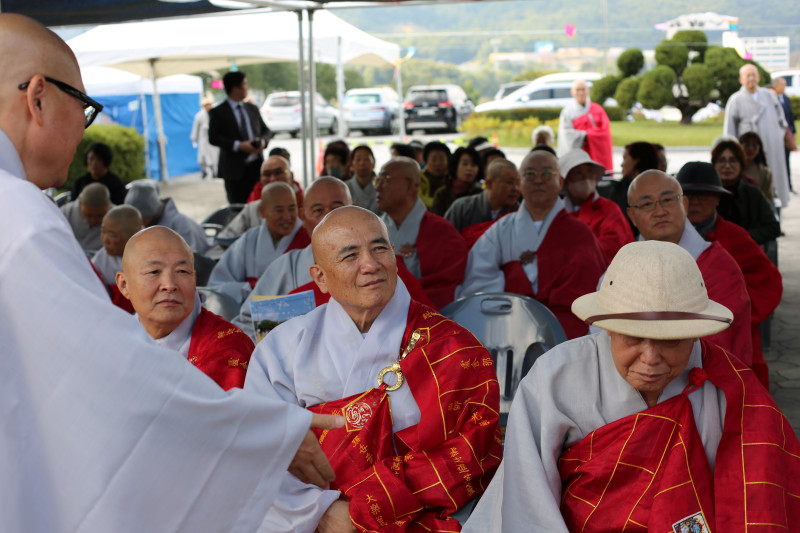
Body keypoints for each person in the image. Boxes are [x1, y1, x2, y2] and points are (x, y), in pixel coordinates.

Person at [0, 13, 340, 533]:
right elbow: (103, 376)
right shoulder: (17, 216)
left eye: (182, 270)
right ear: (39, 97)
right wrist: (269, 433)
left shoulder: (224, 346)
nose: (84, 129)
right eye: (84, 107)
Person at [464, 240, 800, 533]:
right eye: (633, 337)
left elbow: (757, 496)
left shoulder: (729, 387)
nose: (650, 359)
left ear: (695, 333)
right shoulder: (556, 377)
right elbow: (529, 499)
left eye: (670, 340)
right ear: (608, 327)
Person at [246, 206, 503, 533]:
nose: (371, 264)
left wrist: (364, 509)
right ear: (320, 278)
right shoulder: (283, 348)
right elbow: (257, 446)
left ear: (394, 256)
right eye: (350, 255)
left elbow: (473, 450)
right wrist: (319, 511)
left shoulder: (452, 346)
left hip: (418, 518)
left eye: (380, 248)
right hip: (309, 519)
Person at [458, 149, 607, 339]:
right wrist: (516, 302)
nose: (538, 180)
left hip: (566, 337)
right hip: (507, 331)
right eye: (530, 174)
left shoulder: (580, 235)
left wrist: (511, 276)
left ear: (560, 182)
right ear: (520, 182)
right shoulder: (500, 230)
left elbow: (590, 296)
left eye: (546, 173)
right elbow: (477, 282)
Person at [626, 170, 754, 368]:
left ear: (684, 205)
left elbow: (717, 345)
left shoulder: (717, 267)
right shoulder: (621, 268)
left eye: (667, 200)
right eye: (647, 204)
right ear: (632, 216)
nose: (659, 211)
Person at [676, 161, 781, 387]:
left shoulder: (734, 236)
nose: (695, 201)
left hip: (731, 335)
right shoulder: (667, 235)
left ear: (718, 198)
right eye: (688, 194)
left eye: (703, 195)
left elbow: (769, 281)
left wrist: (738, 312)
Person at [117, 226, 254, 391]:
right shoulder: (113, 344)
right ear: (124, 285)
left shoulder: (230, 348)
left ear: (194, 279)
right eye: (154, 272)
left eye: (182, 271)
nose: (169, 285)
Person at [376, 157, 469, 309]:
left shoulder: (443, 233)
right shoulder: (371, 231)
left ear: (410, 185)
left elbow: (444, 290)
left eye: (385, 179)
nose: (378, 187)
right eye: (377, 180)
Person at [209, 181, 309, 303]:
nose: (287, 216)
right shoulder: (249, 240)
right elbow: (218, 283)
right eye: (279, 210)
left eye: (292, 209)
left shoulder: (308, 239)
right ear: (262, 211)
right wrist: (248, 290)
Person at [724, 64, 790, 207]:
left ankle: (776, 209)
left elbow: (782, 121)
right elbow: (729, 130)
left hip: (771, 147)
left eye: (754, 75)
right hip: (749, 152)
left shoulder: (769, 96)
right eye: (748, 75)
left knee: (773, 180)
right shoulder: (735, 100)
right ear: (741, 79)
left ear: (759, 78)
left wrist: (777, 137)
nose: (751, 78)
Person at [560, 148, 633, 262]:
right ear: (566, 180)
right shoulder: (558, 213)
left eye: (589, 171)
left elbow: (613, 245)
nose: (585, 177)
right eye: (578, 173)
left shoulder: (609, 209)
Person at [209, 70, 270, 204]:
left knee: (259, 205)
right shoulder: (218, 112)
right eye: (245, 84)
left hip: (256, 167)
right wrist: (238, 146)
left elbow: (266, 130)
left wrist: (263, 141)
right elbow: (213, 137)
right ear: (235, 88)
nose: (247, 88)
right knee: (238, 206)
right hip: (234, 171)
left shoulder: (252, 108)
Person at [711, 139, 781, 245]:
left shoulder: (753, 193)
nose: (727, 166)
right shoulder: (707, 195)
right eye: (721, 160)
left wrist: (743, 237)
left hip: (745, 248)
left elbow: (773, 227)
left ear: (741, 164)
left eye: (733, 160)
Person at [444, 158, 520, 247]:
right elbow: (444, 242)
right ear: (489, 183)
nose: (515, 189)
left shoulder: (518, 212)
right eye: (509, 182)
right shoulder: (462, 208)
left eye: (518, 183)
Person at [124, 180, 209, 253]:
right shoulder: (149, 224)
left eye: (139, 219)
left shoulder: (182, 226)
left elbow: (189, 261)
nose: (138, 224)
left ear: (151, 214)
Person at [598, 140, 659, 237]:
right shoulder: (662, 184)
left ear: (636, 160)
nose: (622, 164)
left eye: (625, 158)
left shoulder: (623, 188)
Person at [556, 79, 613, 171]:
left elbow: (604, 132)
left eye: (583, 89)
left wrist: (588, 135)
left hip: (596, 154)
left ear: (588, 91)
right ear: (572, 92)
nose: (581, 93)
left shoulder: (598, 110)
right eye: (577, 90)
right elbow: (566, 135)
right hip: (578, 155)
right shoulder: (567, 112)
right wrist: (584, 136)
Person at [92, 204, 143, 286]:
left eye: (112, 235)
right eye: (103, 231)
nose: (105, 240)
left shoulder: (155, 252)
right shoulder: (100, 262)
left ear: (134, 235)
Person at [431, 146, 483, 216]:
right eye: (465, 164)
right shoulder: (442, 194)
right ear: (455, 166)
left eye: (473, 165)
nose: (469, 168)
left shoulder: (480, 195)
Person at [59, 181, 110, 251]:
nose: (94, 220)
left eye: (100, 216)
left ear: (109, 205)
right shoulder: (65, 212)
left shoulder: (116, 217)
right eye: (89, 215)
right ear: (80, 204)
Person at [773, 76, 796, 190]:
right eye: (782, 84)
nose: (784, 87)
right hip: (776, 136)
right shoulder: (772, 99)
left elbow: (790, 117)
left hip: (786, 136)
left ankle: (788, 185)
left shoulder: (786, 99)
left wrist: (793, 132)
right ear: (776, 86)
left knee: (787, 160)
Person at [739, 131, 776, 201]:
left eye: (755, 146)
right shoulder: (732, 168)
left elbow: (768, 199)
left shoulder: (765, 172)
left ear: (759, 149)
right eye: (747, 145)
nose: (751, 149)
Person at [344, 144, 380, 214]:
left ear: (374, 163)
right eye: (358, 159)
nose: (362, 163)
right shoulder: (344, 187)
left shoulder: (383, 186)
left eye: (366, 159)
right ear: (352, 164)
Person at [190, 94, 219, 179]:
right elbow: (195, 128)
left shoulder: (215, 114)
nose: (208, 107)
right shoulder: (199, 116)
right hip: (203, 139)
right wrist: (194, 138)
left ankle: (214, 171)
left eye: (209, 105)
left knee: (214, 156)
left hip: (213, 140)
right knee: (203, 157)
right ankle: (204, 171)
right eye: (207, 105)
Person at [418, 141, 451, 208]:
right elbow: (417, 200)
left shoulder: (452, 180)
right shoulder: (417, 178)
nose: (438, 164)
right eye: (434, 160)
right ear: (426, 161)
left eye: (442, 160)